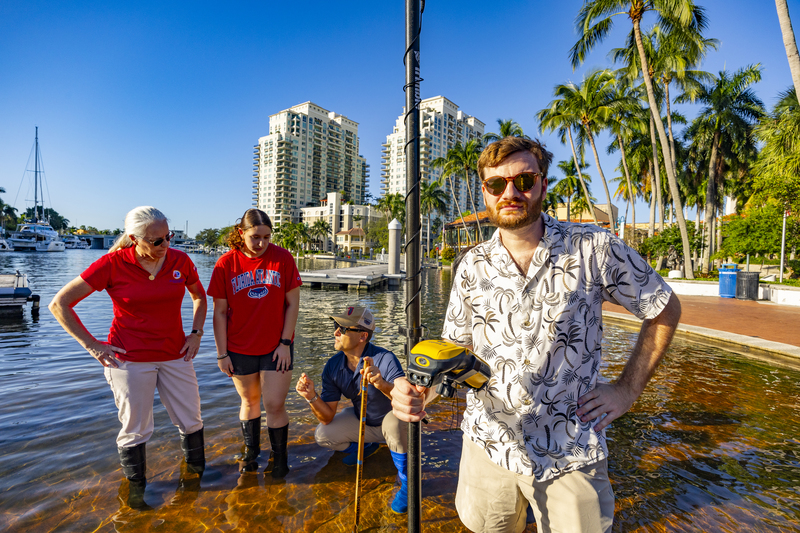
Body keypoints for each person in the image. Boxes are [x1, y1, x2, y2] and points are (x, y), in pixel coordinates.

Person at [391, 137, 682, 533]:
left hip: (570, 448)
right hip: (488, 443)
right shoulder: (471, 265)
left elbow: (663, 307)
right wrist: (417, 391)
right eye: (497, 184)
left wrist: (626, 390)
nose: (510, 192)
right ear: (485, 193)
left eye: (524, 181)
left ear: (543, 185)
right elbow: (457, 354)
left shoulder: (593, 248)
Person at [49, 206, 208, 502]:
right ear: (135, 239)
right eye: (156, 240)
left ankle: (197, 481)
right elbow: (60, 304)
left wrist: (196, 334)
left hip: (175, 354)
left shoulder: (180, 260)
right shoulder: (111, 264)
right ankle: (136, 495)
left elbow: (199, 296)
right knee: (136, 428)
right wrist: (92, 345)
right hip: (129, 358)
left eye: (168, 237)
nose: (165, 245)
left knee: (192, 419)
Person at [207, 208, 301, 478]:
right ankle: (250, 454)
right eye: (255, 237)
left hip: (277, 347)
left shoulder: (282, 258)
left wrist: (285, 342)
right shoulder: (226, 264)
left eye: (266, 237)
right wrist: (221, 353)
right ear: (241, 233)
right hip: (239, 347)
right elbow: (220, 313)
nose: (261, 243)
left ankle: (279, 457)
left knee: (274, 404)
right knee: (249, 401)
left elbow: (292, 303)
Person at [295, 306, 410, 514]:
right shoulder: (332, 366)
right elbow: (327, 417)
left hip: (394, 427)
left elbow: (405, 399)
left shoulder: (386, 358)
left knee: (393, 422)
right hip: (364, 422)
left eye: (342, 328)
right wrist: (311, 396)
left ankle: (407, 482)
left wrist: (382, 383)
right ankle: (365, 447)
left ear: (362, 336)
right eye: (335, 327)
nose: (335, 332)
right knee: (323, 434)